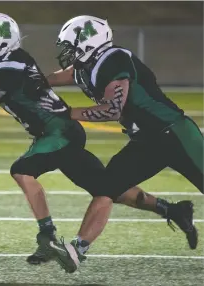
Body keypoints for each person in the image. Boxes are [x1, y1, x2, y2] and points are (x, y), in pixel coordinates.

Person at [46, 14, 201, 262]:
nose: (68, 53)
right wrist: (23, 85)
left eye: (72, 47)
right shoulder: (87, 68)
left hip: (175, 133)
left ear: (89, 44)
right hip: (147, 142)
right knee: (107, 187)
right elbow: (49, 79)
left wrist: (66, 113)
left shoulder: (113, 59)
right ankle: (77, 250)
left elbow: (111, 109)